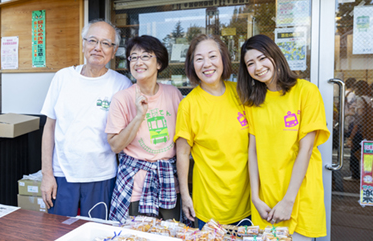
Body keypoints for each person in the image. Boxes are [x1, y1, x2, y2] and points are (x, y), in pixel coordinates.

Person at [237, 34, 330, 240]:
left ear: (275, 55)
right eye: (250, 63)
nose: (258, 67)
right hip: (266, 198)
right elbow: (253, 151)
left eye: (262, 58)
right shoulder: (252, 101)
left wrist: (288, 200)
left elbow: (306, 149)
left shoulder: (306, 92)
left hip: (299, 194)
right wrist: (255, 197)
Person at [40, 19, 132, 219]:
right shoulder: (62, 78)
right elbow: (49, 128)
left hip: (102, 177)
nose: (98, 48)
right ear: (83, 44)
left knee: (97, 233)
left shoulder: (121, 84)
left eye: (106, 43)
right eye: (92, 41)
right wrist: (47, 174)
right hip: (62, 175)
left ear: (114, 50)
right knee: (58, 233)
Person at [175, 34, 251, 230]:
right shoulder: (189, 105)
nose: (206, 64)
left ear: (223, 59)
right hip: (210, 207)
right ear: (192, 66)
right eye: (199, 59)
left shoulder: (241, 92)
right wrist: (185, 195)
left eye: (212, 56)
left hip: (248, 202)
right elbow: (182, 153)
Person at [106, 35, 183, 223]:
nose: (138, 62)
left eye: (146, 56)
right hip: (135, 186)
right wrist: (139, 115)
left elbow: (183, 139)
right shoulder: (122, 98)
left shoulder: (173, 94)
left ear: (159, 63)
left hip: (168, 183)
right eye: (134, 57)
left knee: (170, 235)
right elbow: (115, 146)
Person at [345, 80, 372, 181]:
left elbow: (359, 118)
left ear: (358, 88)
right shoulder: (369, 98)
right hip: (367, 130)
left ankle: (355, 175)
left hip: (360, 130)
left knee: (354, 153)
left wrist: (351, 136)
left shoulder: (360, 99)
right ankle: (367, 175)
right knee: (366, 153)